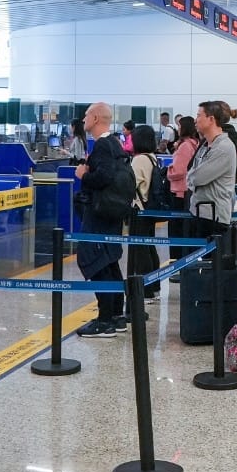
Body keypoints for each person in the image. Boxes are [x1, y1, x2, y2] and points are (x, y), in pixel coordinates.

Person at [74, 102, 127, 338]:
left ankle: (105, 320)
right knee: (109, 261)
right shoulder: (114, 143)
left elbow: (104, 176)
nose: (83, 119)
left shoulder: (103, 145)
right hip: (110, 213)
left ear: (95, 118)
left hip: (99, 214)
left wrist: (84, 175)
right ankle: (115, 315)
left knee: (96, 261)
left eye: (86, 115)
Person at [186, 100, 236, 237]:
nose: (195, 120)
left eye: (199, 115)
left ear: (211, 119)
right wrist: (192, 177)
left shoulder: (223, 148)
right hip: (200, 213)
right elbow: (190, 173)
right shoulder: (206, 145)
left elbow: (197, 178)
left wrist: (192, 177)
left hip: (213, 217)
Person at [128, 124, 161, 303]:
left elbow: (131, 184)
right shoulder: (152, 157)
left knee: (140, 251)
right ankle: (154, 287)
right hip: (149, 208)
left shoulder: (139, 160)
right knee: (149, 247)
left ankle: (145, 291)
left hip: (139, 208)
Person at [166, 115, 200, 260]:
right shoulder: (195, 144)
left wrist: (168, 171)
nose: (178, 129)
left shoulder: (185, 146)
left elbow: (179, 170)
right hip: (188, 191)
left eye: (180, 126)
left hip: (179, 191)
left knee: (177, 230)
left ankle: (176, 261)